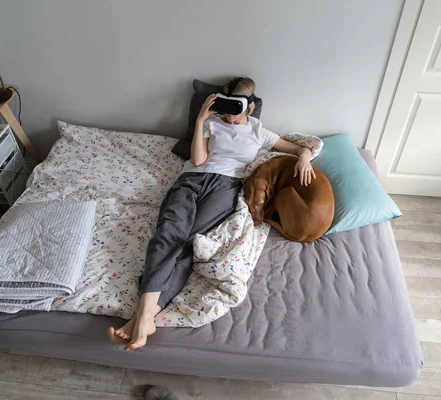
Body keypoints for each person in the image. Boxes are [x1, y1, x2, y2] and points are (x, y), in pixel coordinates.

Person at [107, 77, 316, 350]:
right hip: (191, 179)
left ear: (249, 107)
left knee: (188, 244)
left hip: (226, 186)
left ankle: (141, 318)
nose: (229, 115)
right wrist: (200, 120)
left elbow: (303, 147)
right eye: (225, 108)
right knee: (168, 233)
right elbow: (197, 160)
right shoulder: (211, 124)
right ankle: (146, 316)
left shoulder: (259, 131)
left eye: (235, 108)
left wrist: (303, 157)